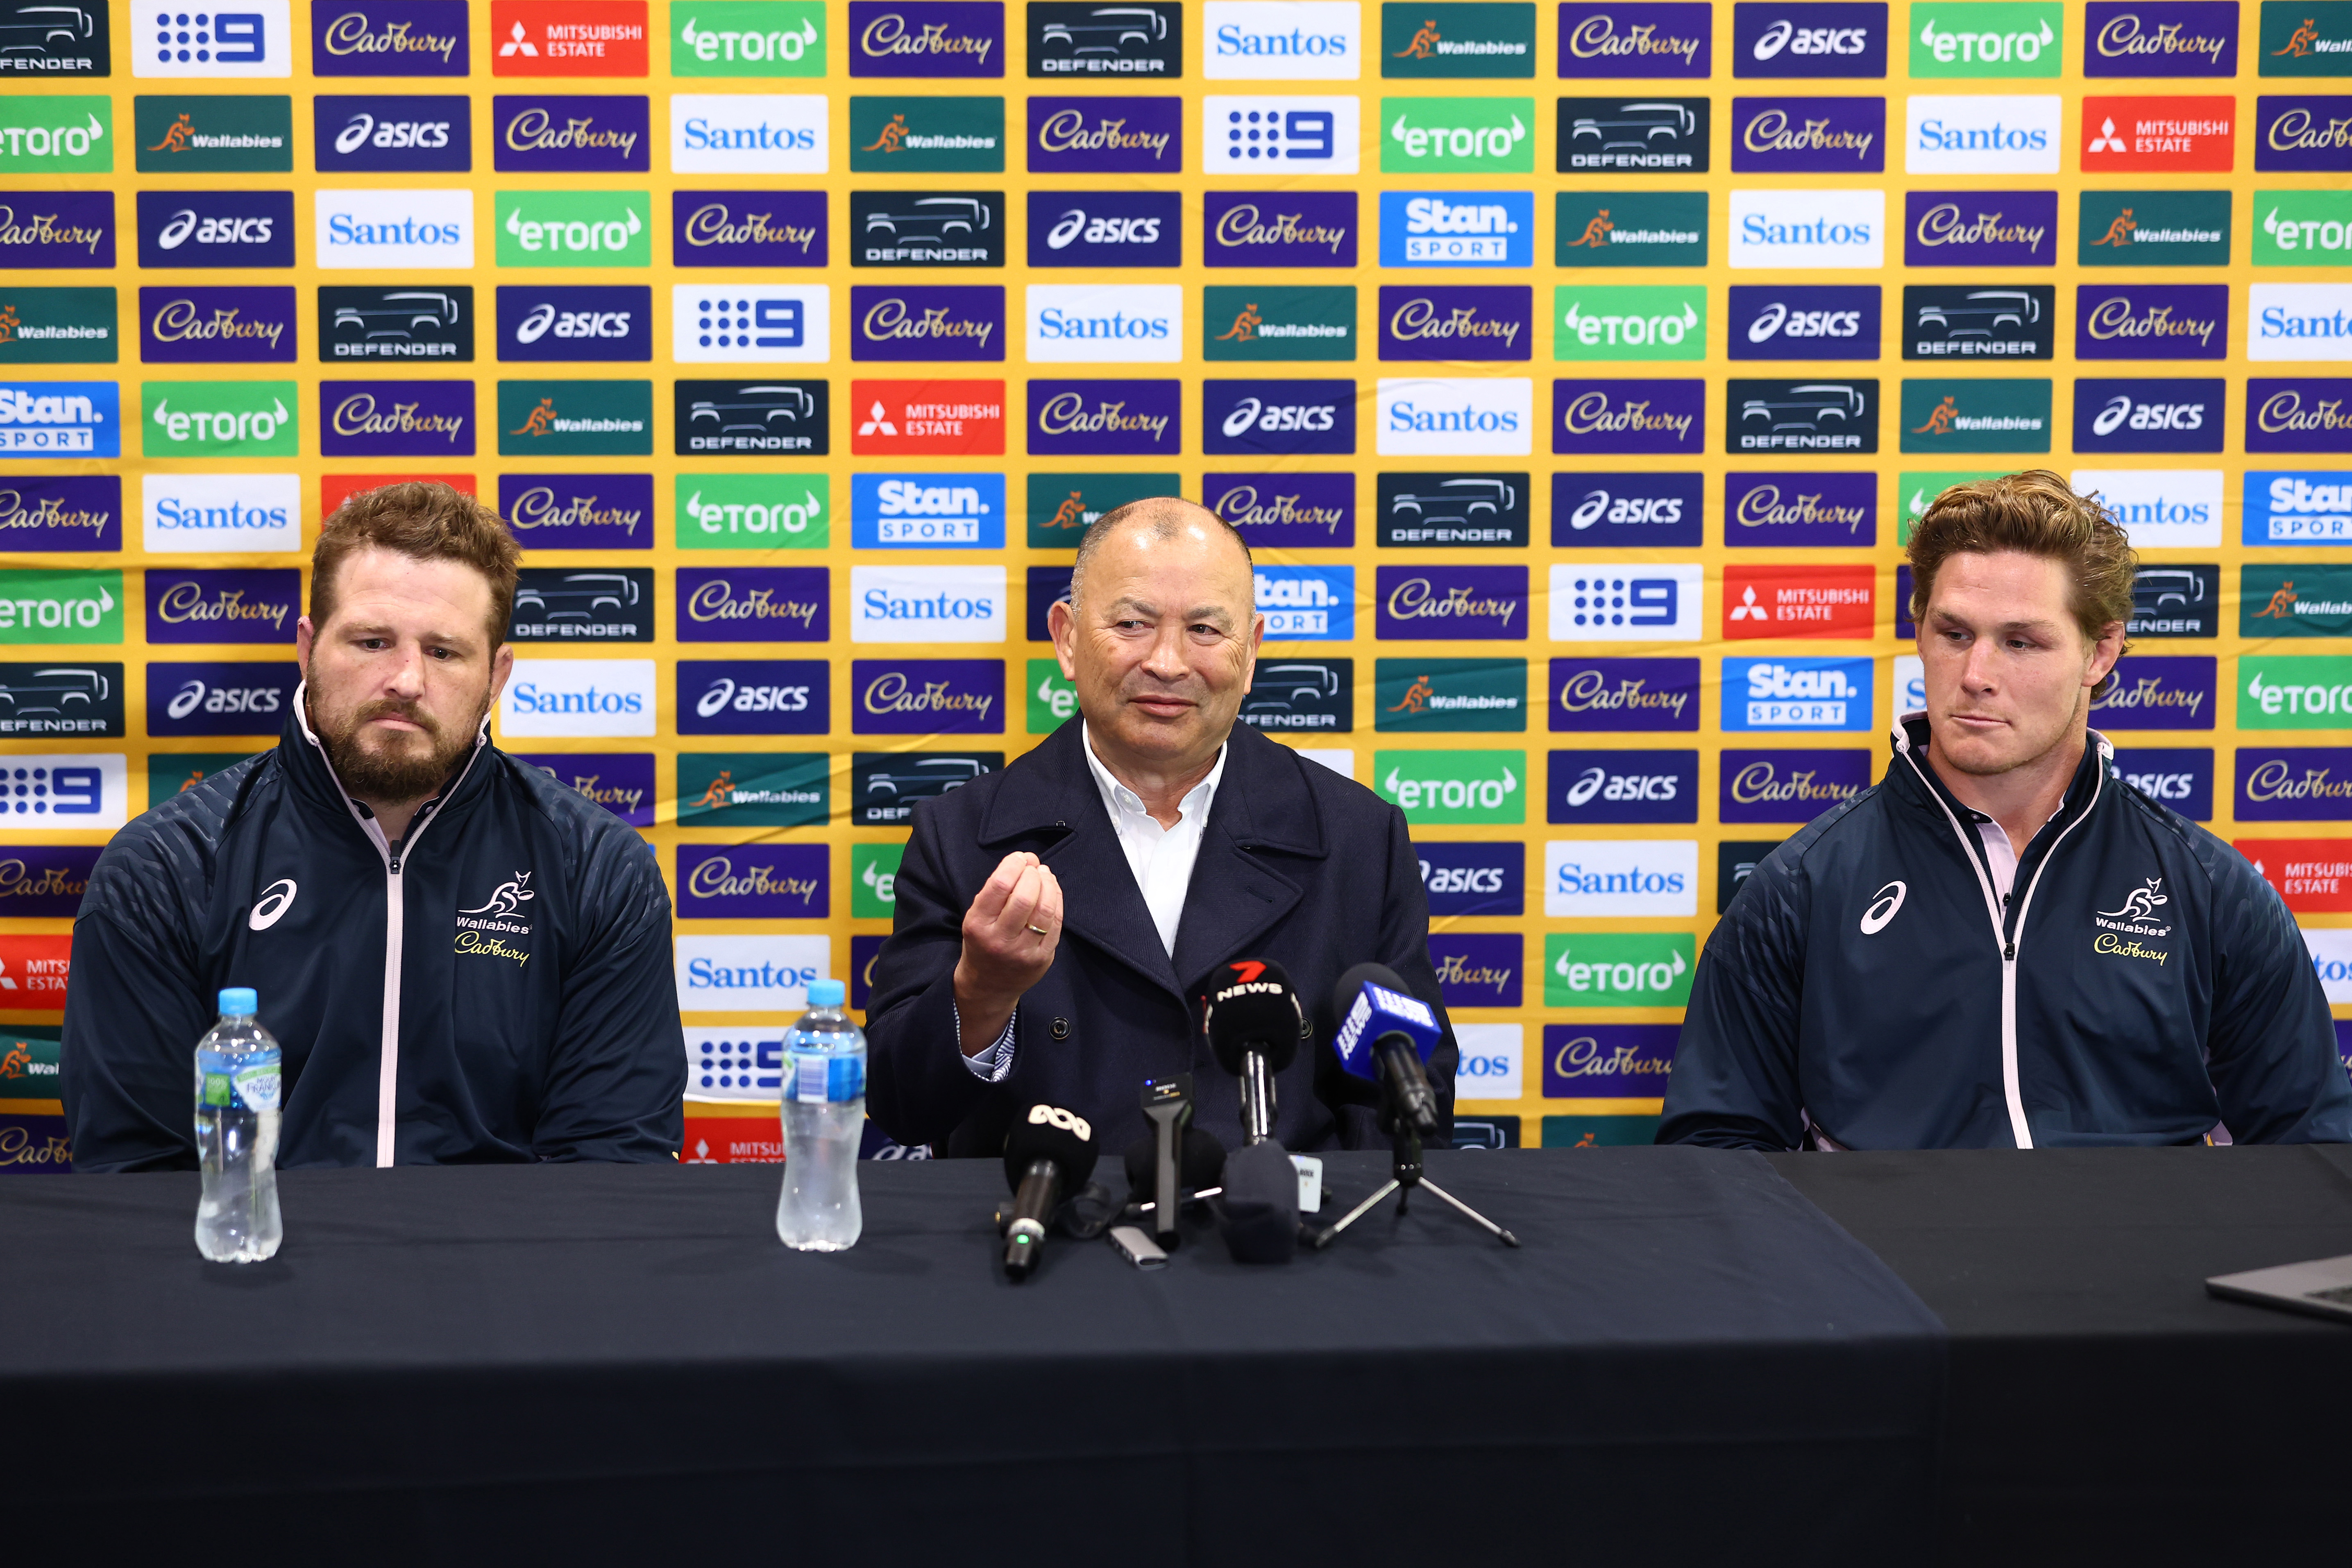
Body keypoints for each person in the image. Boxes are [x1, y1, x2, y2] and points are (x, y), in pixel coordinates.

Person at [1662, 471, 2352, 1150]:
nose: (1975, 675)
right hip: (1883, 1264)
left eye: (2020, 642)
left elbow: (2313, 1152)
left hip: (2136, 1264)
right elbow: (1713, 1154)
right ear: (1920, 632)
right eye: (1954, 633)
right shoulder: (1801, 889)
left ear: (2099, 652)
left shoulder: (2207, 888)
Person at [61, 482, 685, 1170]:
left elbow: (611, 1165)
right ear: (307, 648)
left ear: (497, 674)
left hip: (505, 1272)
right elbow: (138, 1177)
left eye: (444, 652)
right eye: (372, 641)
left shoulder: (594, 868)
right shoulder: (167, 869)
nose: (406, 680)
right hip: (258, 1271)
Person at [866, 497, 1457, 1158]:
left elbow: (1407, 1097)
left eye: (1205, 630)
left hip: (1272, 1242)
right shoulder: (962, 835)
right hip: (1045, 1233)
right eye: (1131, 624)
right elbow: (900, 1107)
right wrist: (979, 993)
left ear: (1252, 650)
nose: (1169, 663)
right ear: (1065, 638)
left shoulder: (1357, 838)